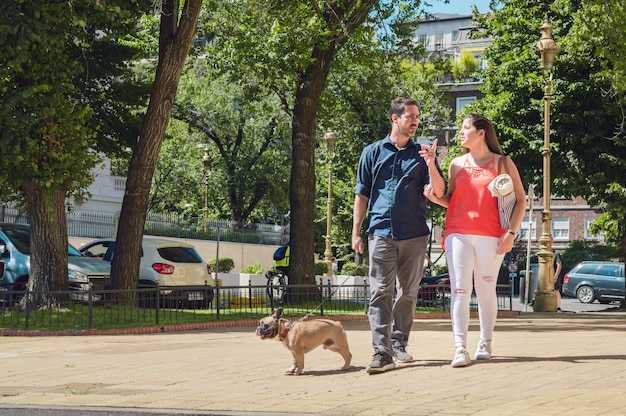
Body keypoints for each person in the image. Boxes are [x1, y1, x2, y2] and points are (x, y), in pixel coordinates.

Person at [424, 114, 526, 368]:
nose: (460, 132)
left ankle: (485, 341)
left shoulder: (503, 163)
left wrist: (511, 234)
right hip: (457, 232)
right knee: (459, 289)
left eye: (466, 127)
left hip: (492, 235)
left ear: (481, 132)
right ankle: (460, 348)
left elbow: (521, 200)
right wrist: (436, 199)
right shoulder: (456, 164)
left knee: (485, 289)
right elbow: (452, 199)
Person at [352, 97, 445, 374]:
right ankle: (381, 352)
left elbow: (439, 191)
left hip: (414, 234)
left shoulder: (424, 153)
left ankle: (399, 343)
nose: (415, 121)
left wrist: (430, 163)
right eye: (410, 116)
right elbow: (362, 194)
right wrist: (356, 233)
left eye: (417, 117)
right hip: (380, 230)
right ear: (395, 118)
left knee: (408, 292)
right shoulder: (371, 152)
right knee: (380, 291)